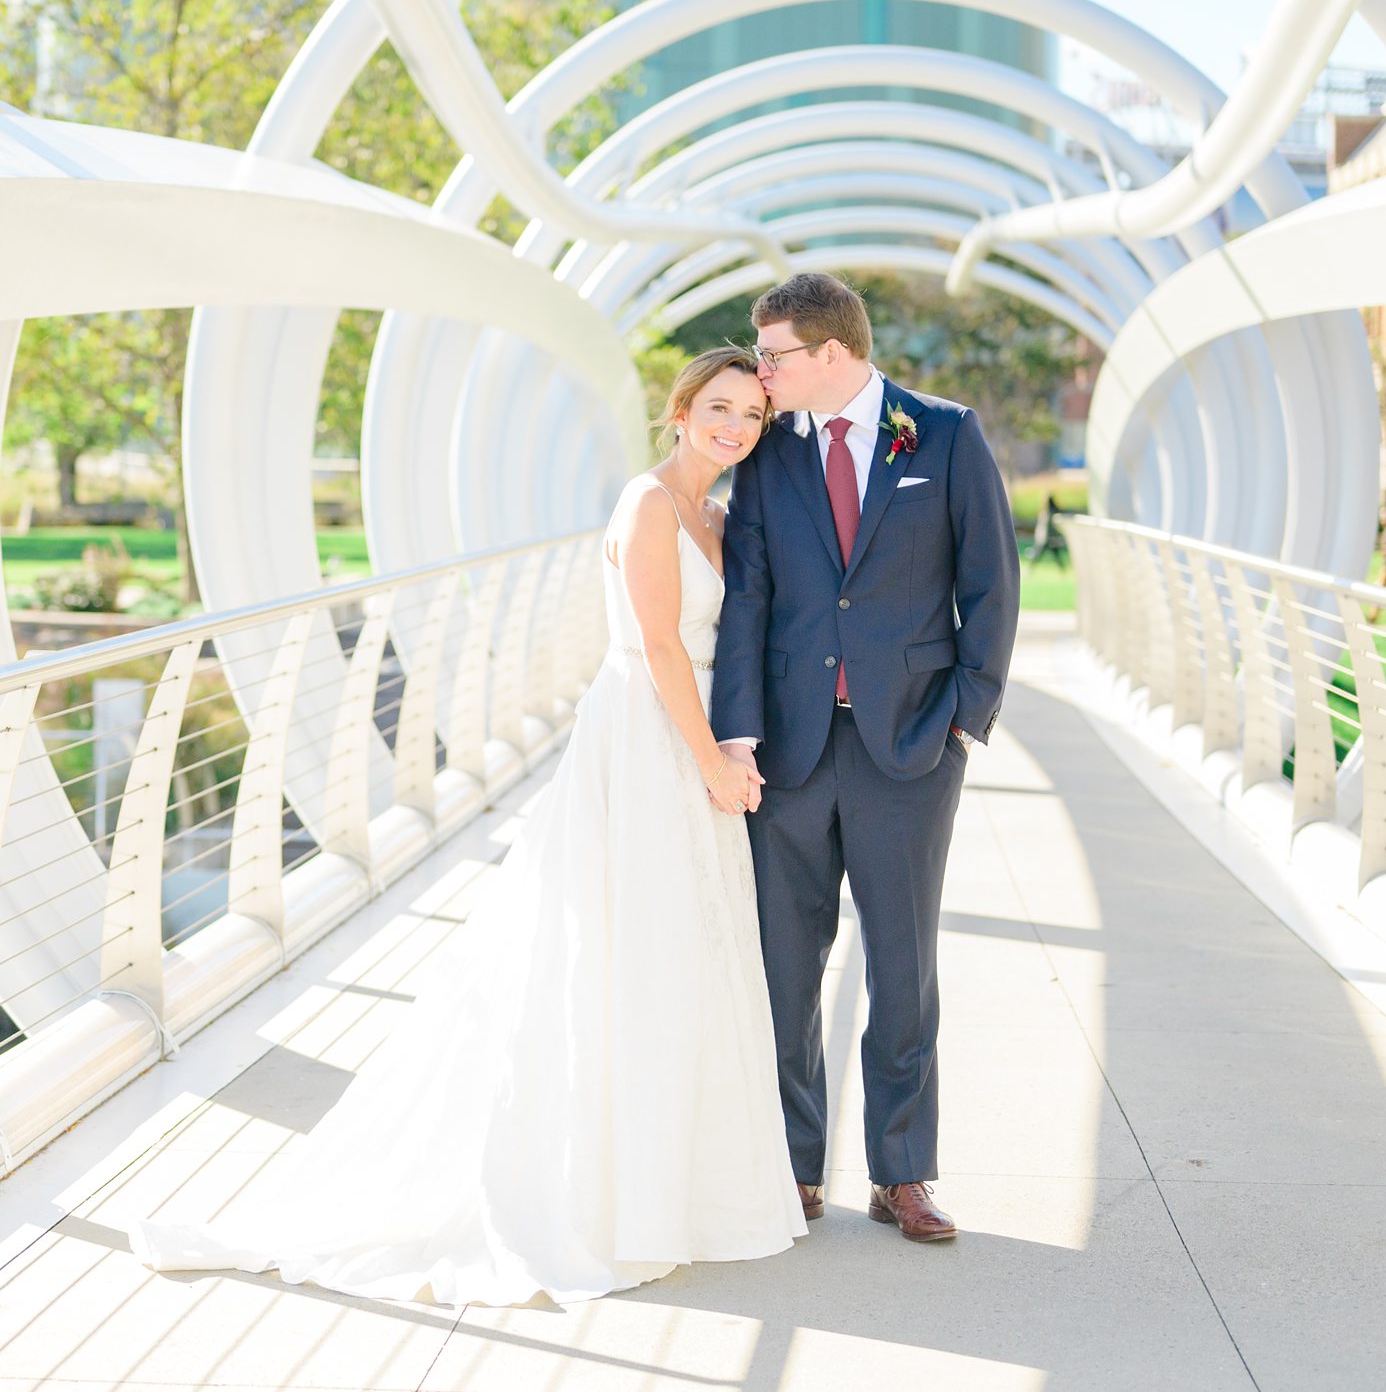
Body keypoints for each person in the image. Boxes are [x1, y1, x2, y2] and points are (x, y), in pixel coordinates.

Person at [129, 349, 801, 1304]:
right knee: (624, 949)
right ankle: (602, 1193)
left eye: (752, 414)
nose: (736, 425)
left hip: (687, 739)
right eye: (720, 407)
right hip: (647, 736)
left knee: (683, 953)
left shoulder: (721, 516)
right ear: (682, 409)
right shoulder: (649, 505)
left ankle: (674, 1188)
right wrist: (710, 762)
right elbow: (659, 646)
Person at [712, 272, 1020, 1243]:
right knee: (785, 967)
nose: (761, 375)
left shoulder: (946, 436)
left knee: (903, 962)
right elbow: (749, 603)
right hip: (792, 754)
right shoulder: (767, 460)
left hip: (912, 747)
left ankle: (902, 1174)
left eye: (774, 356)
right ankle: (794, 1168)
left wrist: (966, 721)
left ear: (831, 354)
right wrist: (738, 735)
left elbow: (992, 585)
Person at [1032, 493, 1066, 569]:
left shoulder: (1048, 512)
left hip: (1046, 538)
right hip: (1047, 538)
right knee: (1040, 555)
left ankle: (1062, 569)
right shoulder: (1049, 512)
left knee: (1038, 555)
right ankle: (1062, 569)